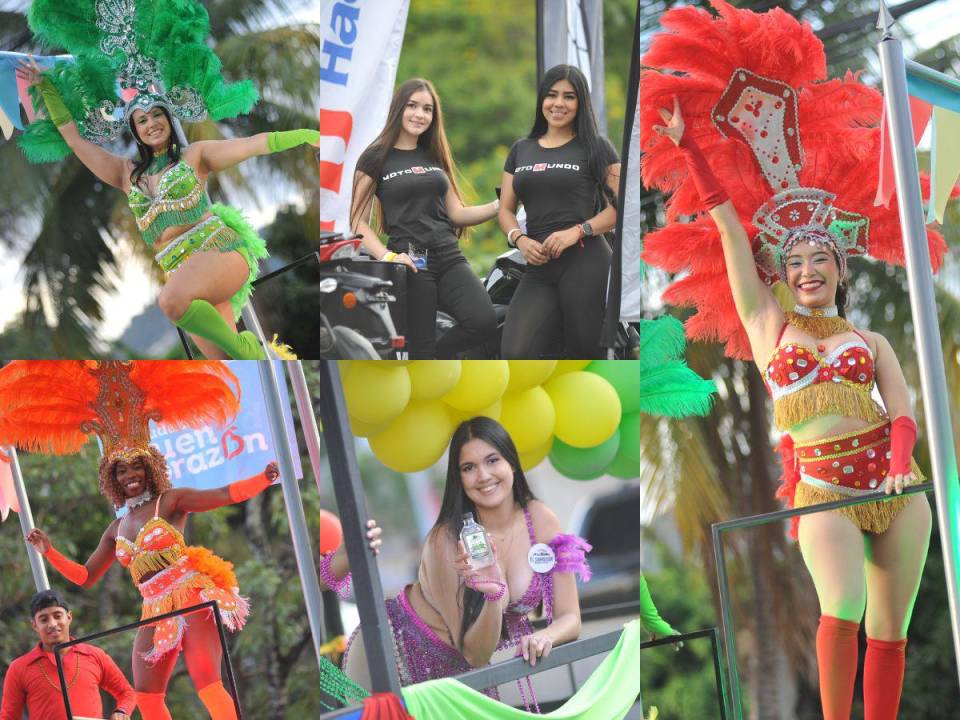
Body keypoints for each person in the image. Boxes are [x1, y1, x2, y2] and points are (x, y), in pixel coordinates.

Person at [650, 90, 932, 720]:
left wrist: (897, 465)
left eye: (821, 259)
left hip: (896, 485)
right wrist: (687, 145)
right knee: (844, 609)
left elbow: (904, 411)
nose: (809, 269)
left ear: (839, 269)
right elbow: (726, 223)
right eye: (796, 260)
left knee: (890, 629)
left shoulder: (871, 340)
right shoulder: (768, 325)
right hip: (825, 488)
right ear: (780, 273)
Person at [17, 55, 316, 360]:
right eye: (142, 120)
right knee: (229, 366)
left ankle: (249, 347)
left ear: (168, 119)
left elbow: (253, 143)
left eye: (156, 115)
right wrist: (46, 89)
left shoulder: (194, 156)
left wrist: (306, 136)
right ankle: (262, 363)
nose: (151, 123)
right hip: (184, 275)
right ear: (135, 131)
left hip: (220, 254)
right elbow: (75, 140)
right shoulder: (126, 175)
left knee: (171, 302)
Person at [334, 417, 591, 711]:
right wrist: (494, 596)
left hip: (461, 672)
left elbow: (570, 618)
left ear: (512, 463)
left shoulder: (542, 520)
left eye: (492, 460)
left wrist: (545, 635)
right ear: (459, 479)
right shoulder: (447, 540)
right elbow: (475, 654)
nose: (483, 476)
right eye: (468, 468)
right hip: (394, 661)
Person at [350, 78, 499, 359]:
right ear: (398, 109)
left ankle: (432, 358)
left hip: (448, 251)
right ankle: (425, 362)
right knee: (421, 343)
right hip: (412, 256)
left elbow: (457, 213)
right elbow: (358, 222)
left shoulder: (434, 156)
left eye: (427, 109)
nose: (420, 114)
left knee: (483, 321)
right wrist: (388, 257)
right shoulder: (374, 158)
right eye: (412, 106)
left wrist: (498, 206)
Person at [498, 64, 621, 359]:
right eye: (552, 95)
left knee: (584, 354)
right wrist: (520, 239)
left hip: (585, 259)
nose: (558, 104)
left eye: (569, 97)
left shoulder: (596, 148)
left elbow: (622, 206)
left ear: (580, 104)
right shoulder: (521, 150)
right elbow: (505, 209)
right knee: (515, 352)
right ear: (542, 100)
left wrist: (578, 231)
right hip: (539, 265)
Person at [0, 590, 137, 720]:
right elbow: (8, 717)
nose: (52, 624)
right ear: (35, 625)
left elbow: (127, 693)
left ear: (69, 617)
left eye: (58, 616)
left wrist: (122, 711)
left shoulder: (95, 655)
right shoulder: (18, 668)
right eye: (44, 619)